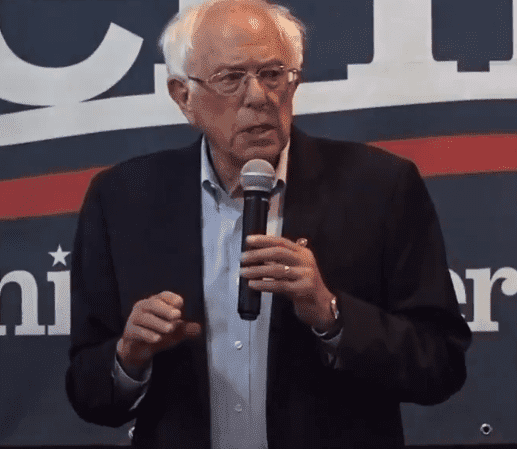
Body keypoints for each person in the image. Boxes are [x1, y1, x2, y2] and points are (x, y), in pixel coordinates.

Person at [66, 0, 472, 448]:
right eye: (231, 78)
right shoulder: (123, 199)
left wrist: (331, 316)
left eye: (273, 74)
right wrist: (130, 357)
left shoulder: (380, 188)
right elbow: (87, 393)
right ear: (184, 97)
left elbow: (441, 365)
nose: (258, 96)